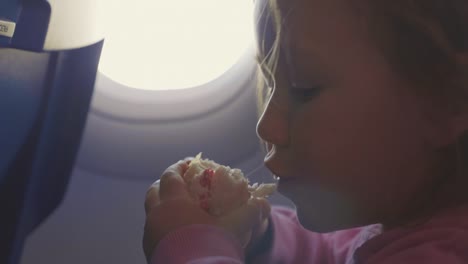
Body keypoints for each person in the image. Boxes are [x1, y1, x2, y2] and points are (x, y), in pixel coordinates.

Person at [143, 0, 468, 263]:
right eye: (270, 84)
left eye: (304, 89)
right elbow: (332, 252)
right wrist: (261, 237)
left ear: (447, 103)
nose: (266, 126)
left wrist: (194, 251)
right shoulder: (390, 224)